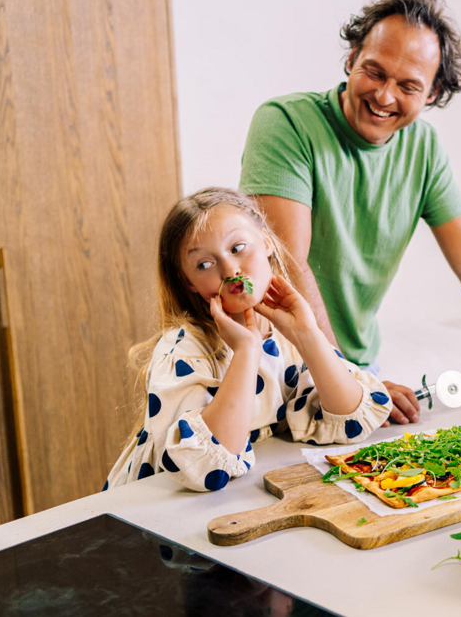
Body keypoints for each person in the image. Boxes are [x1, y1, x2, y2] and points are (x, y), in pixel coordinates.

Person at [238, 0, 461, 426]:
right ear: (352, 57)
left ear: (432, 93)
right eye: (374, 71)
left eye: (408, 85)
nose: (384, 95)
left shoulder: (424, 147)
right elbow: (286, 261)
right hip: (278, 362)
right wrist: (348, 378)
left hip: (353, 365)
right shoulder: (285, 123)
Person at [106, 188, 391, 492]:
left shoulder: (287, 336)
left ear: (267, 240)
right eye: (204, 264)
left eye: (238, 247)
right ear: (189, 281)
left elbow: (352, 420)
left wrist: (307, 335)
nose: (230, 270)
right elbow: (205, 469)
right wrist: (246, 350)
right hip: (148, 512)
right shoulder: (184, 350)